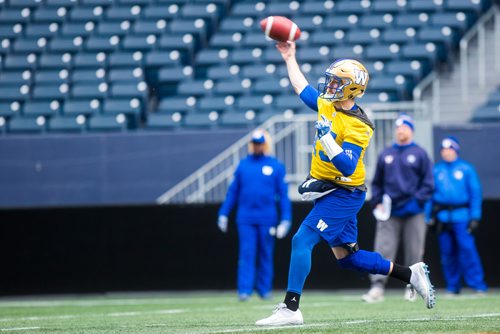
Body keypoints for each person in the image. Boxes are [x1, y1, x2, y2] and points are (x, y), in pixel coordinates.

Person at [255, 41, 436, 327]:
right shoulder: (327, 102)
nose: (330, 86)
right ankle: (409, 274)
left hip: (344, 192)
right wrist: (290, 57)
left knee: (302, 240)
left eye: (337, 82)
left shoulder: (359, 124)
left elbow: (348, 165)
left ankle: (291, 308)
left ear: (352, 88)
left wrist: (327, 138)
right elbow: (301, 88)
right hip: (329, 189)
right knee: (347, 259)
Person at [363, 114, 434, 303]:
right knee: (383, 249)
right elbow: (376, 181)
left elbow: (428, 183)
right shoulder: (386, 153)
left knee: (414, 250)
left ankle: (412, 287)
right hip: (389, 210)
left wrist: (416, 202)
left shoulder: (420, 153)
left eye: (404, 127)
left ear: (411, 130)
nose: (400, 130)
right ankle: (377, 286)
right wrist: (376, 200)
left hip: (414, 210)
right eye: (398, 127)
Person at [217, 129, 292, 301]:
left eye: (260, 143)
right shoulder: (243, 165)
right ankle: (244, 290)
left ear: (265, 145)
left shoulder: (275, 166)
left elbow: (283, 195)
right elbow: (232, 193)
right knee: (246, 254)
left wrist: (285, 220)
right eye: (255, 143)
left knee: (266, 254)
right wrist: (223, 213)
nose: (257, 146)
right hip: (246, 218)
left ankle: (264, 290)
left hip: (267, 218)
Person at [425, 136, 487, 294]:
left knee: (468, 250)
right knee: (447, 253)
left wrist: (475, 217)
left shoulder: (466, 169)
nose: (446, 152)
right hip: (443, 218)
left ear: (456, 151)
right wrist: (428, 217)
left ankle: (478, 284)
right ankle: (453, 286)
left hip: (462, 217)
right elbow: (429, 195)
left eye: (450, 149)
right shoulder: (436, 170)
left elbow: (475, 194)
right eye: (444, 150)